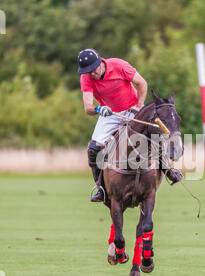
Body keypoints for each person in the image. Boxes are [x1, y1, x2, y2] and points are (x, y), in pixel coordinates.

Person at [77, 48, 183, 202]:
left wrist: (139, 107)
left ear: (100, 62)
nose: (92, 74)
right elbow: (88, 107)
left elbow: (142, 83)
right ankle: (101, 188)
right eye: (89, 72)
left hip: (134, 108)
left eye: (94, 70)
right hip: (110, 114)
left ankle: (168, 170)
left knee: (154, 135)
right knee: (94, 147)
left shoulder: (119, 65)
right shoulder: (86, 78)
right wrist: (99, 109)